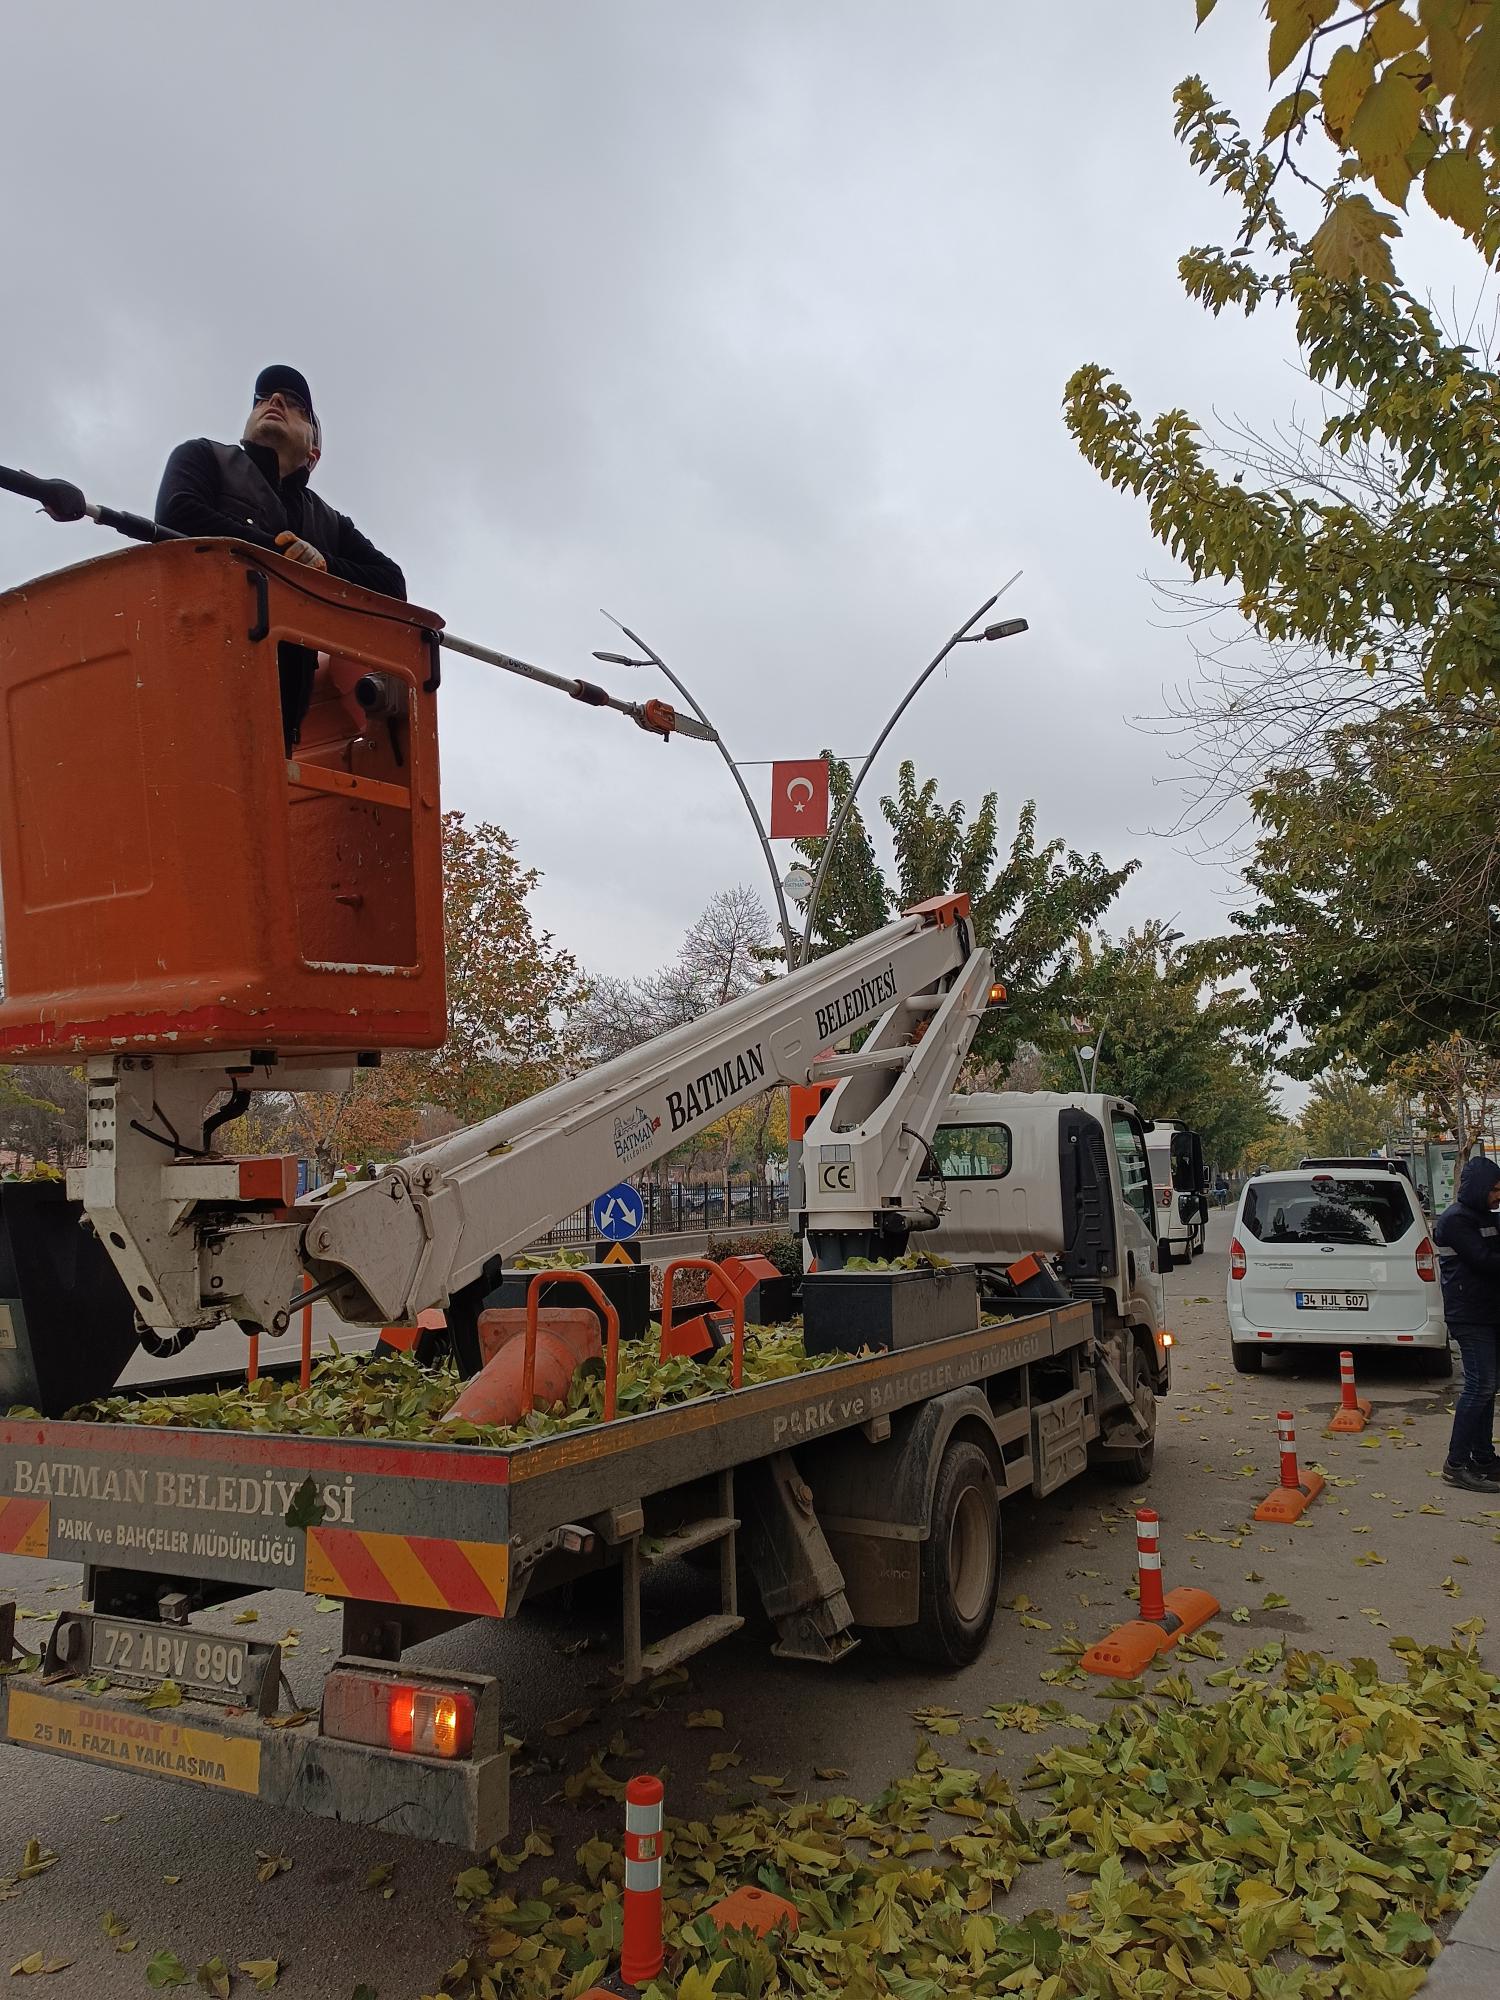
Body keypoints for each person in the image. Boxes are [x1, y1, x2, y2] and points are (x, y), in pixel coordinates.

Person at [156, 367, 405, 745]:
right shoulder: (202, 456)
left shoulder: (330, 523)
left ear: (313, 452)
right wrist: (283, 555)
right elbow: (178, 515)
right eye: (263, 399)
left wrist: (322, 565)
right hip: (191, 681)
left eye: (295, 404)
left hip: (280, 718)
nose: (273, 402)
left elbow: (392, 582)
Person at [1432, 1155, 1500, 1493]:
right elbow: (1485, 1261)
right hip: (1469, 1314)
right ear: (1478, 1189)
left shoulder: (1483, 1215)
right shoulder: (1455, 1220)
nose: (1497, 1196)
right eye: (1494, 1190)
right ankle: (1456, 1464)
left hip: (1488, 1312)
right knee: (1480, 1384)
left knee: (1488, 1387)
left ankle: (1484, 1458)